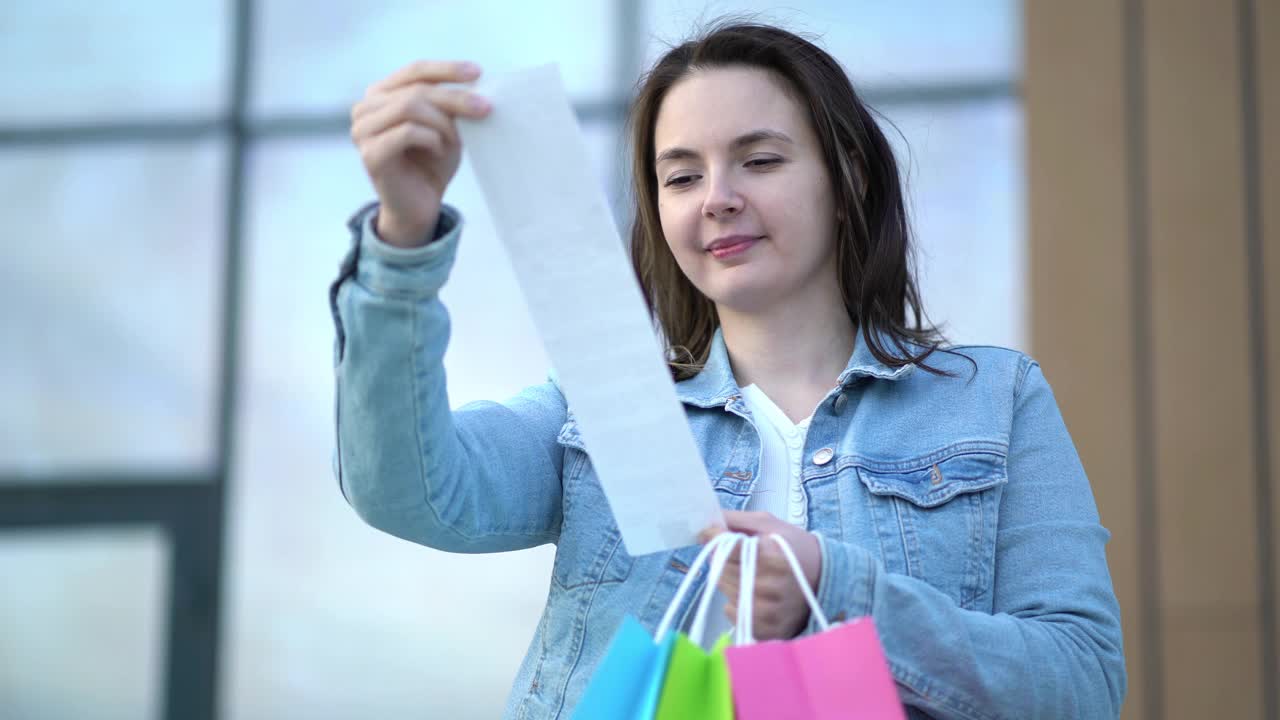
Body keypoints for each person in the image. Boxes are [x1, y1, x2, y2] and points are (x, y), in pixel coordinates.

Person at [331, 20, 1126, 719]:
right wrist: (404, 235)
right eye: (680, 176)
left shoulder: (992, 400)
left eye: (759, 161)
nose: (716, 198)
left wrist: (835, 589)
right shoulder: (601, 412)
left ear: (846, 178)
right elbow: (407, 490)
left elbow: (1082, 683)